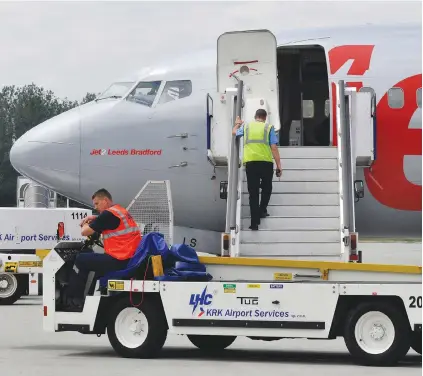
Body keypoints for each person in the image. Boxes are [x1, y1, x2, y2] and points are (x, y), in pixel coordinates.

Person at [61, 188, 142, 311]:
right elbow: (106, 222)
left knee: (80, 259)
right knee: (92, 259)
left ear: (105, 200)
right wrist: (95, 218)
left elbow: (85, 232)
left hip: (119, 259)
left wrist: (85, 222)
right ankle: (89, 297)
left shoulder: (108, 214)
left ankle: (74, 301)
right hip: (129, 257)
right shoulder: (121, 211)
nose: (95, 207)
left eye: (97, 203)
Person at [232, 109, 282, 231]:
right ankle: (262, 210)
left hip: (251, 163)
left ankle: (254, 223)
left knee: (253, 193)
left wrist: (238, 123)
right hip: (266, 163)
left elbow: (234, 132)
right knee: (267, 188)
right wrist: (279, 165)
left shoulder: (247, 127)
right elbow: (274, 147)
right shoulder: (269, 127)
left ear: (255, 116)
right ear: (265, 117)